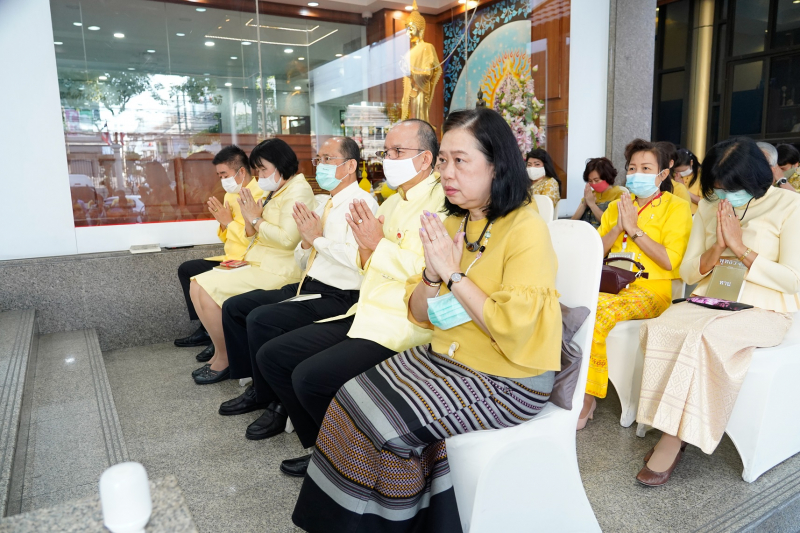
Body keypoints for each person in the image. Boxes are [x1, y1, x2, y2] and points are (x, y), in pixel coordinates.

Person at [291, 107, 561, 532]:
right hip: (450, 353)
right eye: (444, 161)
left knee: (383, 424)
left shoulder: (525, 228)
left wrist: (452, 274)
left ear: (497, 165)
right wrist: (433, 276)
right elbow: (419, 314)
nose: (447, 173)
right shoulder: (455, 221)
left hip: (510, 377)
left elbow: (512, 328)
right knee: (349, 398)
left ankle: (391, 522)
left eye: (460, 160)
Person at [237, 119, 445, 478]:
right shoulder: (392, 203)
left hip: (399, 319)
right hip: (365, 308)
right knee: (273, 355)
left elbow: (426, 270)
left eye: (397, 152)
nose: (388, 159)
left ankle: (339, 455)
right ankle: (323, 445)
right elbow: (366, 261)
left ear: (426, 159)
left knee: (308, 376)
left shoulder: (437, 203)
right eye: (387, 151)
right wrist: (318, 241)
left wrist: (364, 245)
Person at [635, 137, 800, 486]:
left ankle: (672, 438)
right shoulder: (711, 206)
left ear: (756, 178)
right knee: (661, 326)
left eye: (732, 188)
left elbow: (792, 280)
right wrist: (717, 248)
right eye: (718, 187)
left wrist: (740, 248)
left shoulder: (790, 205)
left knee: (703, 336)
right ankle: (668, 423)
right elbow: (688, 272)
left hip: (765, 309)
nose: (724, 195)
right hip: (711, 301)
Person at [216, 136, 377, 419]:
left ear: (351, 165)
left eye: (328, 159)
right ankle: (258, 387)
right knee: (237, 306)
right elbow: (303, 259)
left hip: (340, 295)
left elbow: (360, 262)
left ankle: (276, 402)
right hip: (309, 283)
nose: (320, 166)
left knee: (261, 319)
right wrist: (306, 243)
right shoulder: (325, 203)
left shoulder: (362, 205)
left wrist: (316, 240)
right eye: (319, 159)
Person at [579, 139, 693, 429]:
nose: (636, 174)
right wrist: (618, 226)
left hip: (650, 291)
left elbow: (670, 261)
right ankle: (564, 382)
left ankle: (587, 395)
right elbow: (595, 252)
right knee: (565, 304)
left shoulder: (676, 207)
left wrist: (634, 230)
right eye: (632, 168)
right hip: (611, 286)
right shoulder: (618, 206)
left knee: (596, 310)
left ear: (662, 174)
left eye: (646, 168)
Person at [189, 139, 315, 384]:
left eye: (263, 169)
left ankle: (226, 358)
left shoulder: (298, 190)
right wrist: (249, 220)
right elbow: (251, 234)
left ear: (281, 164)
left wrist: (256, 221)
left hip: (280, 269)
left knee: (207, 289)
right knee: (196, 284)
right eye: (257, 170)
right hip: (257, 261)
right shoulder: (274, 190)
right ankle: (221, 352)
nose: (260, 176)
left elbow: (288, 239)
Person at [173, 146, 263, 357]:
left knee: (203, 281)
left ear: (241, 171)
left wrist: (228, 222)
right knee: (187, 269)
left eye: (224, 174)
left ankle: (216, 337)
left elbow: (253, 238)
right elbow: (225, 237)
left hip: (247, 258)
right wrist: (223, 223)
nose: (222, 180)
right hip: (230, 256)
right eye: (219, 176)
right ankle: (207, 328)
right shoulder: (230, 195)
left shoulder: (259, 194)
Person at [571, 156, 624, 228]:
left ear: (607, 177)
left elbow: (609, 223)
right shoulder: (591, 194)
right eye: (590, 181)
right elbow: (572, 221)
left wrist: (592, 205)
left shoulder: (619, 194)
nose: (593, 184)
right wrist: (584, 204)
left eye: (596, 180)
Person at [672, 148, 703, 212]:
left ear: (691, 162)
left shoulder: (702, 176)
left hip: (694, 214)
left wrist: (683, 189)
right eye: (677, 171)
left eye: (683, 170)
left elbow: (704, 202)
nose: (680, 173)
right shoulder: (674, 175)